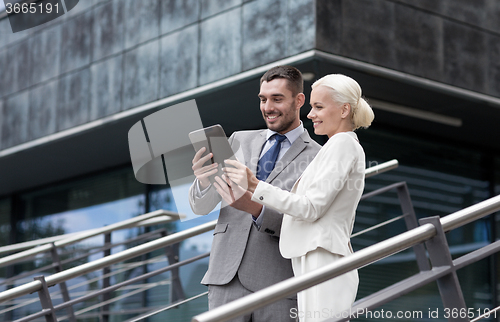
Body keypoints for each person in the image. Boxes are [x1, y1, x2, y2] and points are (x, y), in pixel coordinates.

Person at [217, 74, 374, 322]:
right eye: (312, 107)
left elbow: (311, 207)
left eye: (319, 107)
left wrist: (254, 185)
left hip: (322, 258)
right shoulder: (336, 146)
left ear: (344, 110)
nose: (310, 114)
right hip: (313, 256)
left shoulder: (342, 144)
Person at [189, 65, 322, 321]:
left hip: (278, 284)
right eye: (263, 99)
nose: (267, 107)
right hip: (224, 279)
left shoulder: (318, 157)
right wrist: (203, 181)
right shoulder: (238, 139)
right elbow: (201, 207)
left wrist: (255, 208)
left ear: (299, 100)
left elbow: (309, 219)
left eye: (277, 99)